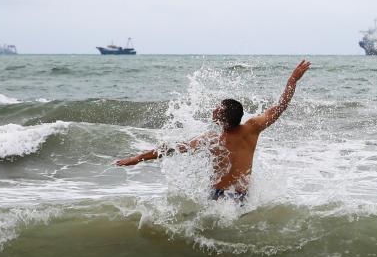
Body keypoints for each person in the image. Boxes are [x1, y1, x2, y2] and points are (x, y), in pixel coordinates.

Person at [115, 60, 312, 200]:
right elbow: (280, 107)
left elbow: (171, 149)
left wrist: (137, 158)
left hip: (218, 197)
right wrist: (292, 80)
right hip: (240, 196)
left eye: (218, 108)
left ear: (223, 117)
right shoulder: (251, 129)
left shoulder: (212, 139)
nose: (214, 109)